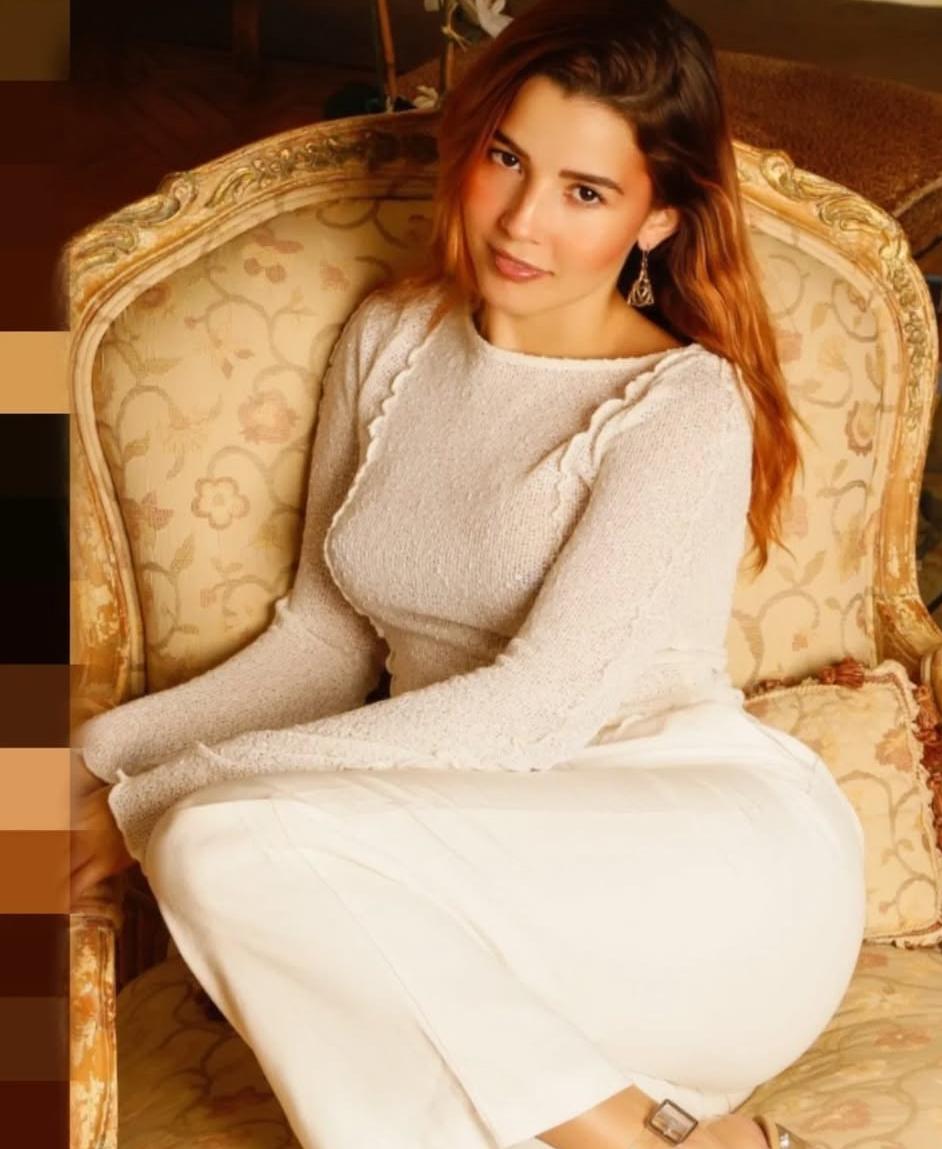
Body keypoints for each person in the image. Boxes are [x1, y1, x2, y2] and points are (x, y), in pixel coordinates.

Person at [70, 2, 866, 1148]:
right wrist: (86, 766)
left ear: (657, 219)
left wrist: (142, 797)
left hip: (697, 877)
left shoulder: (683, 406)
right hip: (476, 884)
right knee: (221, 841)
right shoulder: (393, 337)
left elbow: (532, 713)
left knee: (213, 834)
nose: (522, 220)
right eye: (507, 158)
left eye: (585, 192)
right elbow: (323, 646)